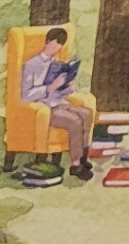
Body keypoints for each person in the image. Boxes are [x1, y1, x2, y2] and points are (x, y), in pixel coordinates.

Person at [20, 28, 95, 182]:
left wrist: (67, 85)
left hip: (59, 102)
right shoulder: (32, 64)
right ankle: (75, 165)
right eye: (55, 43)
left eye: (60, 44)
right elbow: (26, 95)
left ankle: (82, 158)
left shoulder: (56, 64)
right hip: (45, 107)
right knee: (75, 121)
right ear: (47, 41)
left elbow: (61, 93)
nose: (57, 47)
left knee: (87, 114)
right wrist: (50, 88)